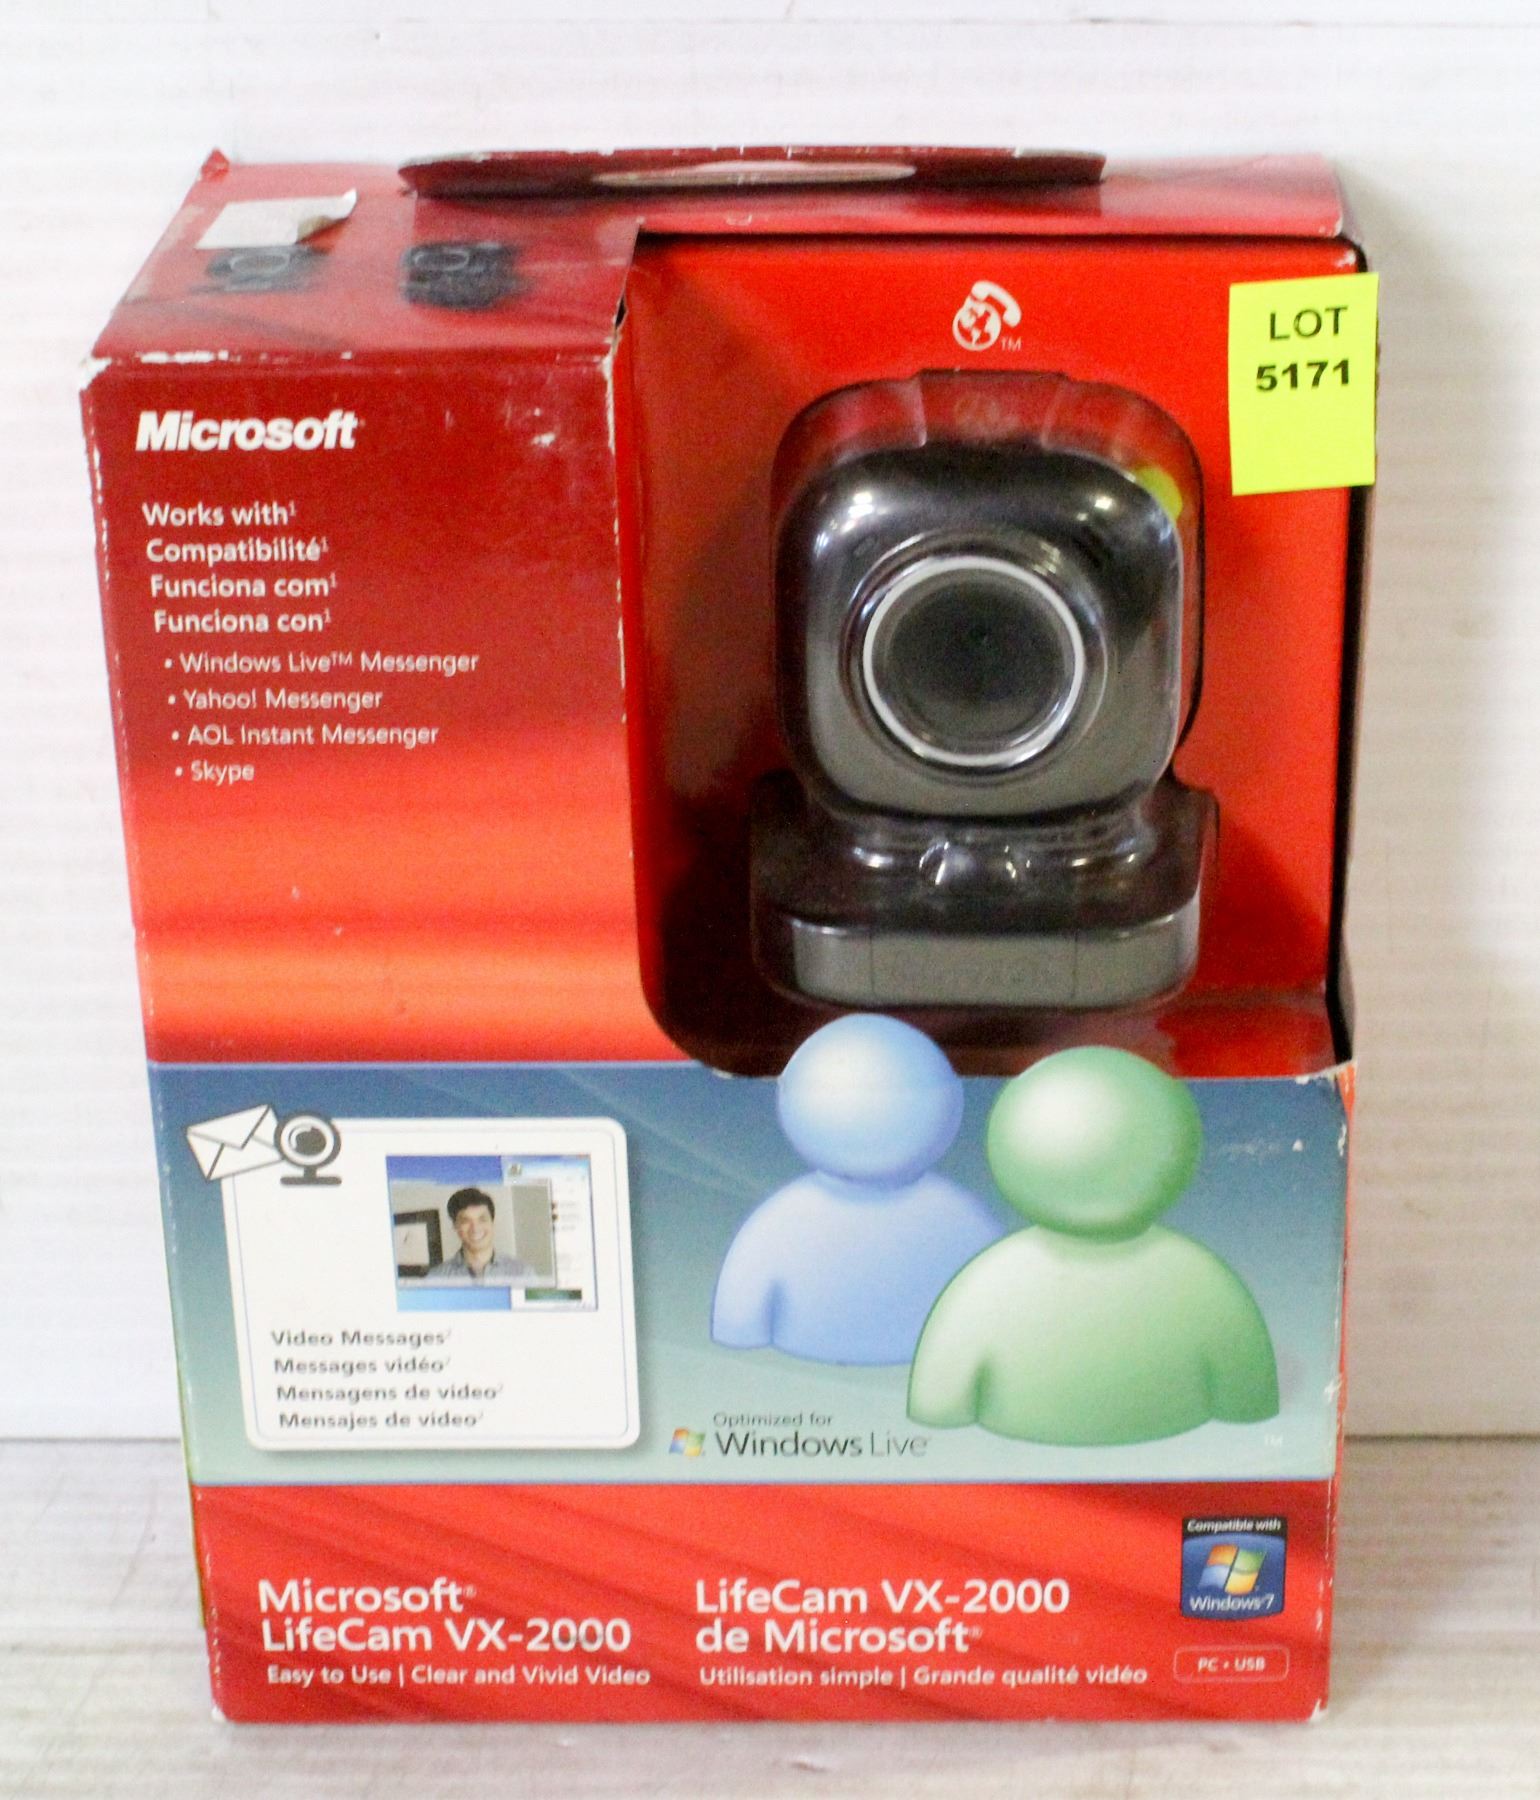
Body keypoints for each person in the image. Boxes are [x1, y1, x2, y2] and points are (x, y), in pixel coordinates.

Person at [423, 1187, 533, 1285]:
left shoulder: (522, 1274)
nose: (475, 1228)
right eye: (466, 1221)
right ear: (455, 1226)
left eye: (482, 1219)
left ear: (492, 1223)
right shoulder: (435, 1279)